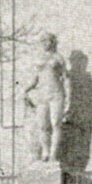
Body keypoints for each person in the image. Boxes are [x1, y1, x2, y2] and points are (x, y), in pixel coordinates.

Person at [23, 33, 68, 164]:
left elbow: (66, 78)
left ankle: (53, 152)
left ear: (52, 42)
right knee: (42, 125)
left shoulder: (58, 58)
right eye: (42, 41)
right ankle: (46, 151)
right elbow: (34, 79)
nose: (44, 43)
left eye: (47, 41)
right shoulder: (39, 58)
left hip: (56, 93)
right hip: (42, 94)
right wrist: (25, 90)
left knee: (56, 123)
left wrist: (68, 97)